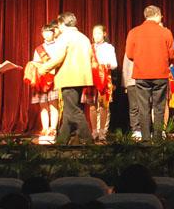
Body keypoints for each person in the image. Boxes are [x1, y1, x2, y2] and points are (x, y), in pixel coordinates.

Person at [38, 12, 94, 144]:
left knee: (74, 111)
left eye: (59, 24)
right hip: (81, 78)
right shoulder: (84, 37)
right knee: (70, 112)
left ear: (63, 23)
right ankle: (62, 141)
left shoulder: (64, 37)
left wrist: (43, 68)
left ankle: (88, 140)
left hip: (69, 77)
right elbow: (90, 56)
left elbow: (58, 58)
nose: (58, 27)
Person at [124, 5, 174, 140]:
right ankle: (158, 138)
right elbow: (172, 54)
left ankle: (146, 139)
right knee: (159, 107)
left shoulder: (134, 32)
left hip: (141, 75)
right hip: (160, 74)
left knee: (143, 107)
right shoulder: (165, 32)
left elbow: (129, 54)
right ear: (157, 15)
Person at [84, 24, 118, 141]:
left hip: (104, 79)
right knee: (92, 106)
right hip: (91, 80)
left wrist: (105, 65)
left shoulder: (109, 47)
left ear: (104, 34)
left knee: (103, 106)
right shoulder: (90, 47)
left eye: (99, 33)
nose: (96, 36)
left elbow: (114, 64)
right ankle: (94, 131)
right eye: (94, 33)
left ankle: (102, 131)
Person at [28, 22, 60, 138]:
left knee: (53, 105)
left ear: (53, 33)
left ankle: (53, 129)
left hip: (54, 79)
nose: (46, 34)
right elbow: (36, 63)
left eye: (49, 32)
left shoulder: (59, 46)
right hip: (41, 80)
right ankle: (45, 128)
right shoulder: (38, 49)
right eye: (44, 32)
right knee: (43, 105)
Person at [121, 55, 141, 140]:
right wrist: (125, 83)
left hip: (144, 81)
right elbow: (125, 67)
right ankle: (136, 130)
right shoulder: (129, 50)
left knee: (145, 107)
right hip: (131, 81)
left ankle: (145, 129)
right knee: (134, 107)